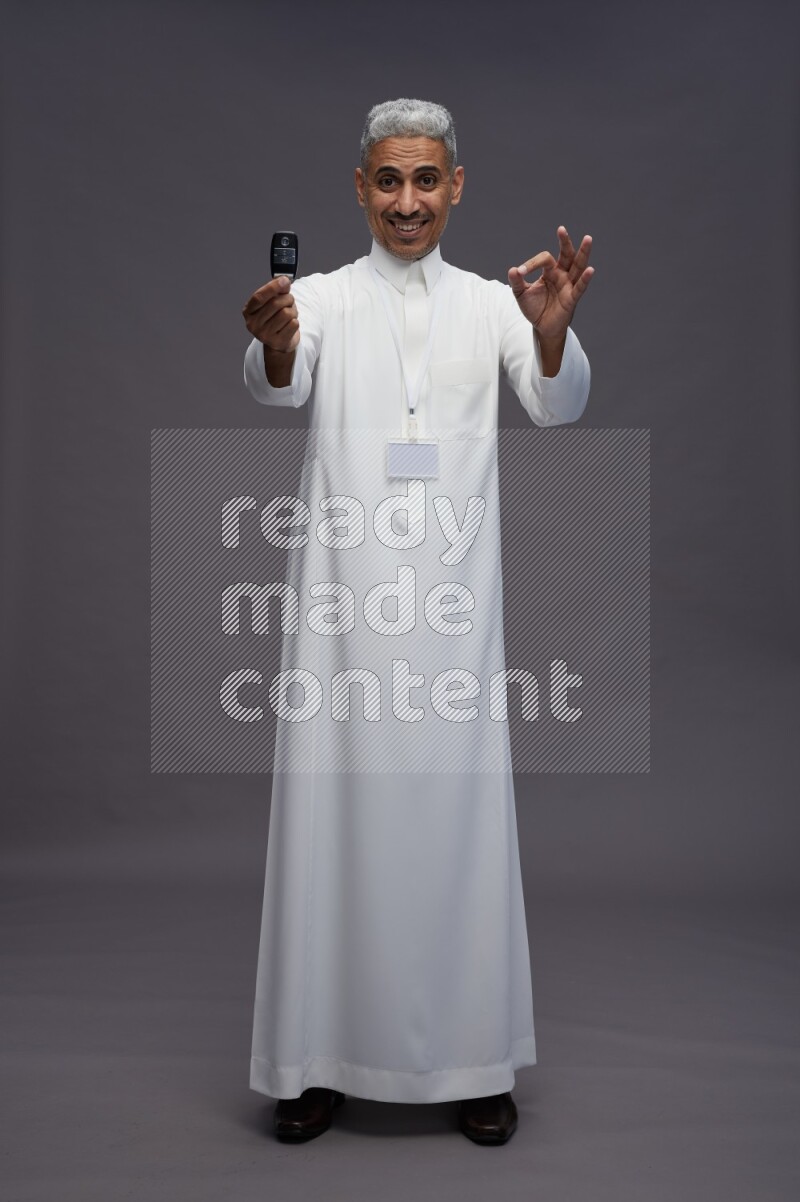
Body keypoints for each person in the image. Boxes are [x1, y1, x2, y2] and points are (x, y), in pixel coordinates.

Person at [240, 98, 593, 1145]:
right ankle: (314, 1058)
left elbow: (556, 405)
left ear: (455, 186)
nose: (406, 201)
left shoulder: (494, 303)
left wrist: (551, 333)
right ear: (359, 187)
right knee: (330, 825)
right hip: (342, 613)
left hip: (449, 615)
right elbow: (277, 384)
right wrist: (269, 346)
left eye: (424, 180)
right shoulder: (319, 300)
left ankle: (473, 1058)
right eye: (387, 180)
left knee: (456, 828)